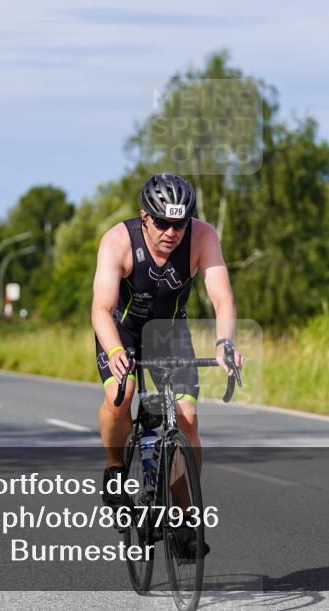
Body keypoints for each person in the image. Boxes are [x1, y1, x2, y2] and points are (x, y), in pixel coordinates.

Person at [91, 173, 244, 556]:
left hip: (169, 332)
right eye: (162, 223)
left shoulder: (203, 237)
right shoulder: (117, 241)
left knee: (187, 419)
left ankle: (184, 519)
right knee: (120, 396)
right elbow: (101, 309)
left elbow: (222, 299)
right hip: (121, 331)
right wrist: (114, 353)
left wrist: (225, 342)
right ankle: (113, 470)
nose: (171, 232)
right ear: (144, 216)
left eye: (179, 224)